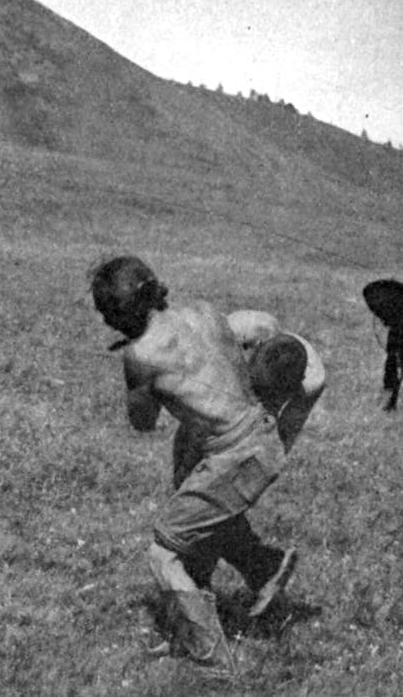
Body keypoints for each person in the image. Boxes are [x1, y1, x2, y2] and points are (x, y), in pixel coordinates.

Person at [90, 256, 325, 667]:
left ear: (118, 312)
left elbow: (142, 422)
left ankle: (210, 659)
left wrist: (139, 381)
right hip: (262, 436)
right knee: (196, 516)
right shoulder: (201, 309)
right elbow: (256, 333)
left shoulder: (140, 355)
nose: (106, 321)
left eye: (106, 312)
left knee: (165, 552)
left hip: (234, 455)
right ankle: (264, 567)